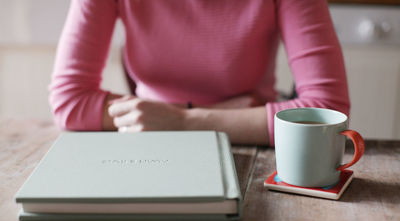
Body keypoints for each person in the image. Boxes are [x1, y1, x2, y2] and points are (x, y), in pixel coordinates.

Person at [49, 0, 350, 146]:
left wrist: (182, 120)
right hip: (146, 140)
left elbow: (327, 109)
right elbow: (69, 102)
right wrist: (214, 114)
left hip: (253, 146)